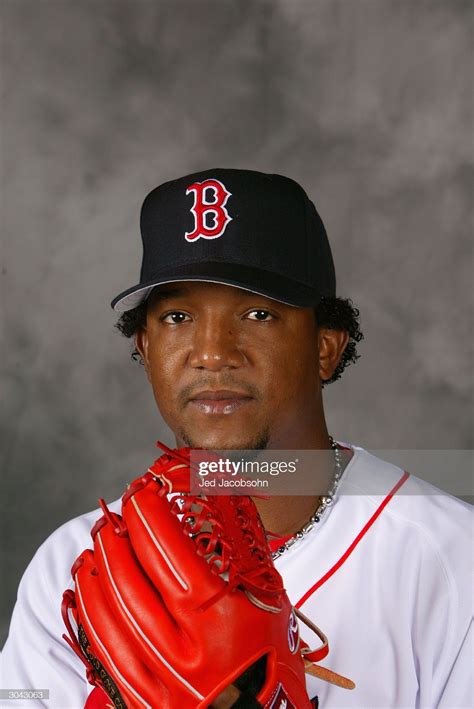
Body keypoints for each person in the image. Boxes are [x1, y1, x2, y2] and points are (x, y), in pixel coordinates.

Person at [1, 169, 471, 708]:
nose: (213, 352)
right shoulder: (74, 567)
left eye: (257, 313)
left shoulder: (453, 561)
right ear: (145, 348)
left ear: (326, 347)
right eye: (177, 316)